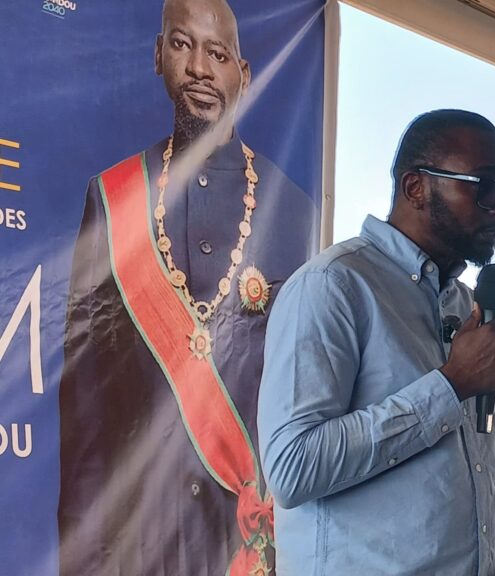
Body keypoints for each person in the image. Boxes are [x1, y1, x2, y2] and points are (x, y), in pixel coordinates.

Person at [56, 0, 316, 574]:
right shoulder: (113, 200)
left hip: (246, 543)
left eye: (218, 54)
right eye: (181, 45)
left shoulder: (296, 212)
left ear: (243, 74)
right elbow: (86, 409)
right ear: (158, 56)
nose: (199, 67)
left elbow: (307, 401)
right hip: (138, 544)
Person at [258, 109, 495, 575]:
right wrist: (450, 386)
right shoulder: (334, 286)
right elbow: (293, 468)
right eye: (486, 186)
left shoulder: (468, 305)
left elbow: (492, 466)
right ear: (416, 187)